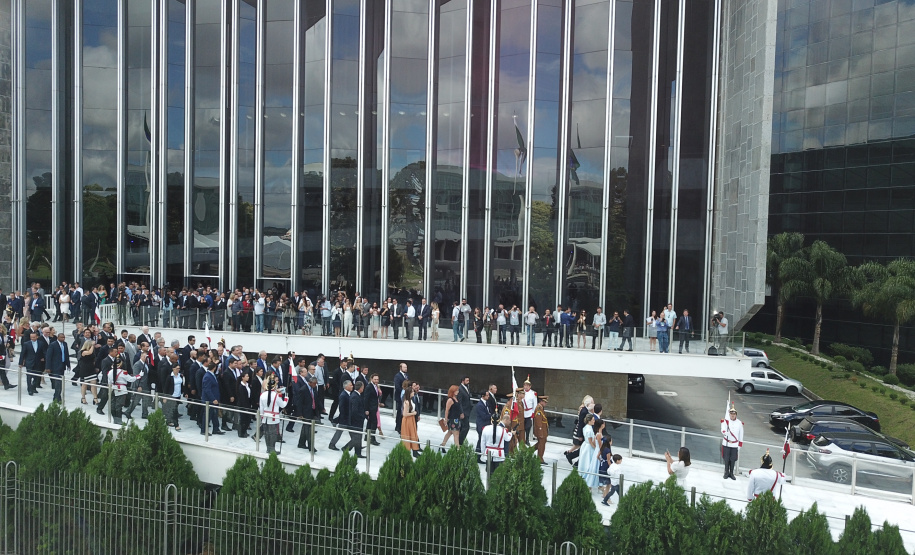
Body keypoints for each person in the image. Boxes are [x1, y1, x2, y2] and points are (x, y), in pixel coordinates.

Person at [258, 374, 288, 453]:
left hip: (265, 417)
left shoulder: (262, 395)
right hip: (274, 418)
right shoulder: (276, 395)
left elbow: (261, 408)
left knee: (266, 433)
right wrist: (286, 399)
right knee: (273, 434)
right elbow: (283, 405)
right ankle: (272, 449)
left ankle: (268, 448)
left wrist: (262, 416)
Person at [565, 395, 594, 465]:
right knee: (583, 448)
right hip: (582, 432)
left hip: (583, 432)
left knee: (582, 448)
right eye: (592, 402)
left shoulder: (586, 410)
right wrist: (580, 435)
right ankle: (572, 458)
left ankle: (571, 456)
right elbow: (581, 423)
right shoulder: (584, 411)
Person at [328, 380, 353, 451]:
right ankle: (332, 444)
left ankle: (355, 445)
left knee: (353, 434)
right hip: (344, 418)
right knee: (339, 432)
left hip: (348, 418)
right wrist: (343, 417)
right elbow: (342, 408)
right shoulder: (343, 395)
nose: (352, 386)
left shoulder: (349, 394)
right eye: (351, 385)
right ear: (346, 386)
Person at [343, 381, 366, 457]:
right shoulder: (355, 396)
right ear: (361, 388)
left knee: (358, 437)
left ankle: (358, 453)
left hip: (358, 421)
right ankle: (346, 448)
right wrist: (362, 416)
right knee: (356, 437)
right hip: (355, 421)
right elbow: (354, 411)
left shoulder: (357, 395)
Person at [721, 405, 744, 480]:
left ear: (736, 415)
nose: (732, 415)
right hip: (727, 443)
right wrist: (725, 432)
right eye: (731, 414)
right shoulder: (725, 421)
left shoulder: (739, 423)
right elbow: (722, 429)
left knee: (733, 459)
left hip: (734, 444)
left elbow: (741, 434)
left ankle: (731, 473)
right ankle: (726, 472)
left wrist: (740, 444)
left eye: (734, 414)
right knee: (726, 458)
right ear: (729, 414)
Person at [578, 414, 600, 491]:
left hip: (586, 446)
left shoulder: (587, 427)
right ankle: (587, 481)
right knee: (588, 463)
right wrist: (596, 448)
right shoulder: (589, 429)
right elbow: (590, 441)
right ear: (589, 420)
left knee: (585, 462)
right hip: (588, 448)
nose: (594, 421)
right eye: (593, 420)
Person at [161, 362, 185, 430]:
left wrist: (184, 392)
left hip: (178, 395)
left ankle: (169, 420)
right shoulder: (170, 377)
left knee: (173, 409)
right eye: (177, 368)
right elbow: (166, 387)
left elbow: (182, 385)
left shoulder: (180, 376)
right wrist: (165, 396)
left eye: (179, 368)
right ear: (173, 369)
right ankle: (176, 425)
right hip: (172, 395)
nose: (178, 370)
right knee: (174, 410)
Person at [439, 385, 462, 451]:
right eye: (456, 390)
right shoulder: (450, 399)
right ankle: (457, 448)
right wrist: (446, 419)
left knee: (450, 432)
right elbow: (447, 410)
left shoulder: (456, 399)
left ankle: (442, 445)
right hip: (453, 419)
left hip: (457, 418)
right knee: (456, 434)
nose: (458, 392)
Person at [401, 384, 420, 457]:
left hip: (411, 420)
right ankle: (407, 451)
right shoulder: (406, 402)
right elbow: (404, 414)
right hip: (407, 420)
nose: (413, 393)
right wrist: (413, 413)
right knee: (407, 435)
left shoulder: (411, 400)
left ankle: (415, 451)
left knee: (413, 434)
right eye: (412, 392)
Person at [532, 396, 549, 464]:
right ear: (541, 401)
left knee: (541, 443)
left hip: (543, 430)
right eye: (545, 402)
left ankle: (529, 450)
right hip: (541, 430)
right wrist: (540, 431)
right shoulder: (539, 409)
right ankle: (540, 458)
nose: (546, 404)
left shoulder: (541, 408)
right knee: (541, 444)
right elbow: (538, 422)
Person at [457, 376, 472, 445]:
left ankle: (459, 442)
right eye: (467, 380)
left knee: (463, 427)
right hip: (463, 412)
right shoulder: (460, 389)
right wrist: (461, 412)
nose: (468, 382)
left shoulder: (467, 388)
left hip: (467, 411)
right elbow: (459, 402)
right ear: (463, 381)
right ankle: (460, 442)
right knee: (466, 427)